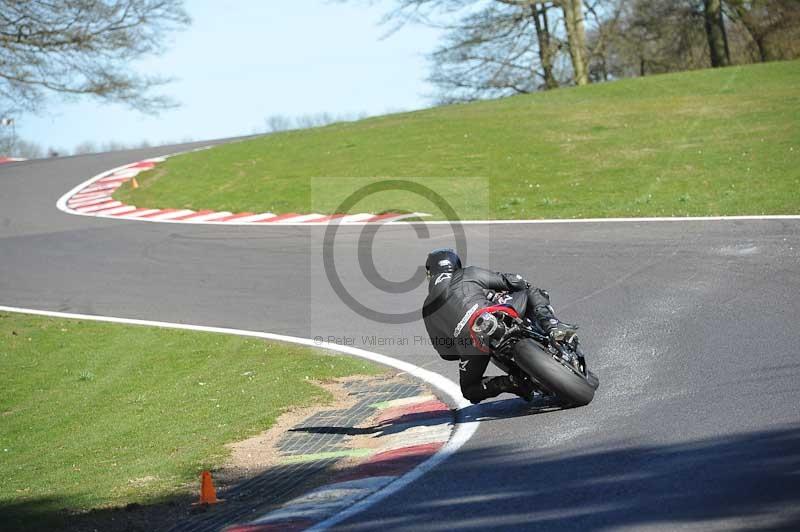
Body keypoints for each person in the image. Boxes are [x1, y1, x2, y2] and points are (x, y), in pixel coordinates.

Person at [421, 248, 576, 404]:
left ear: (430, 274)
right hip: (492, 314)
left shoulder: (427, 308)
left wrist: (463, 347)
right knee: (531, 292)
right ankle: (553, 326)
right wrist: (515, 286)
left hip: (471, 344)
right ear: (456, 265)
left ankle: (511, 382)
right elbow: (513, 280)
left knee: (469, 390)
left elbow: (446, 353)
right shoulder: (466, 273)